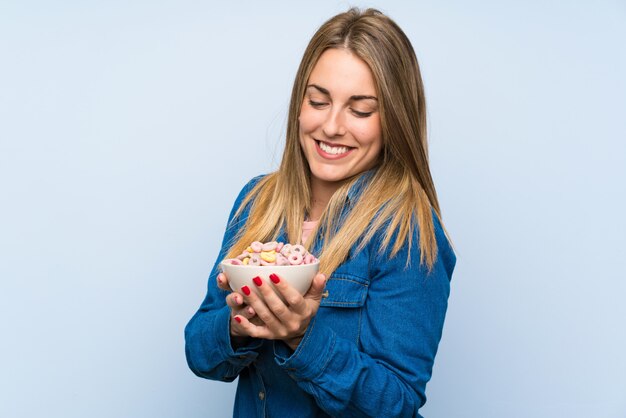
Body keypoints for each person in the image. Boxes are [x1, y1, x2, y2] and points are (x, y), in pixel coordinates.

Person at [185, 7, 456, 418]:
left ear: (394, 121)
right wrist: (237, 325)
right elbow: (200, 354)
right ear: (299, 105)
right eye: (318, 101)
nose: (331, 126)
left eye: (360, 110)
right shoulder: (255, 202)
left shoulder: (408, 232)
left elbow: (397, 403)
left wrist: (301, 338)